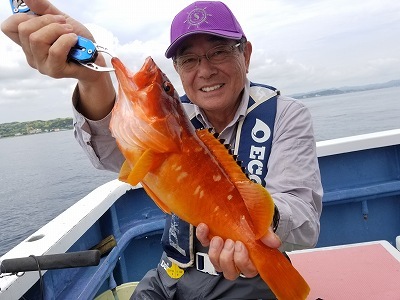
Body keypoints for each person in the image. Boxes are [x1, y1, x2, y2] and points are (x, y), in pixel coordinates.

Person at [2, 1, 323, 299]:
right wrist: (92, 78)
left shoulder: (284, 115)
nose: (205, 70)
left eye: (219, 52)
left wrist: (253, 229)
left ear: (246, 54)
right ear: (179, 69)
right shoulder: (173, 122)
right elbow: (109, 151)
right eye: (189, 59)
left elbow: (304, 219)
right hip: (171, 272)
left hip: (248, 279)